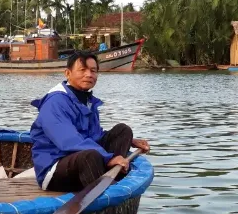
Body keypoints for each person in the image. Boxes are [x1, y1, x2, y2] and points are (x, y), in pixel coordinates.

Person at [29, 50, 150, 192]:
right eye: (82, 70)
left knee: (123, 131)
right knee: (90, 156)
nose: (89, 75)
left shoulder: (86, 99)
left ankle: (108, 177)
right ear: (67, 73)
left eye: (93, 71)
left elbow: (94, 135)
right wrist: (107, 158)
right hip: (54, 169)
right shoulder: (55, 102)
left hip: (81, 160)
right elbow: (69, 140)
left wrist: (130, 141)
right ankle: (105, 190)